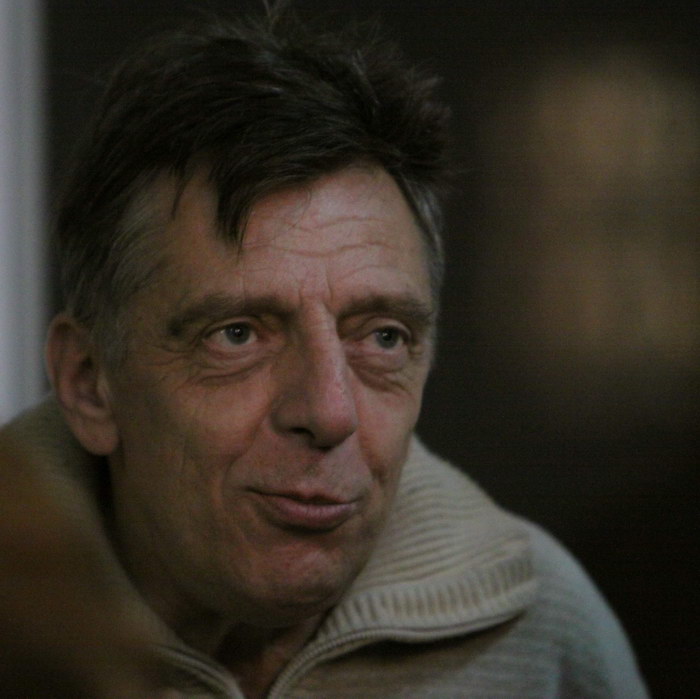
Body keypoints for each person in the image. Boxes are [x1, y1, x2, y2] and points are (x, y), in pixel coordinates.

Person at [1, 8, 647, 697]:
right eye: (238, 334)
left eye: (382, 337)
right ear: (90, 382)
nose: (331, 412)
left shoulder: (541, 626)